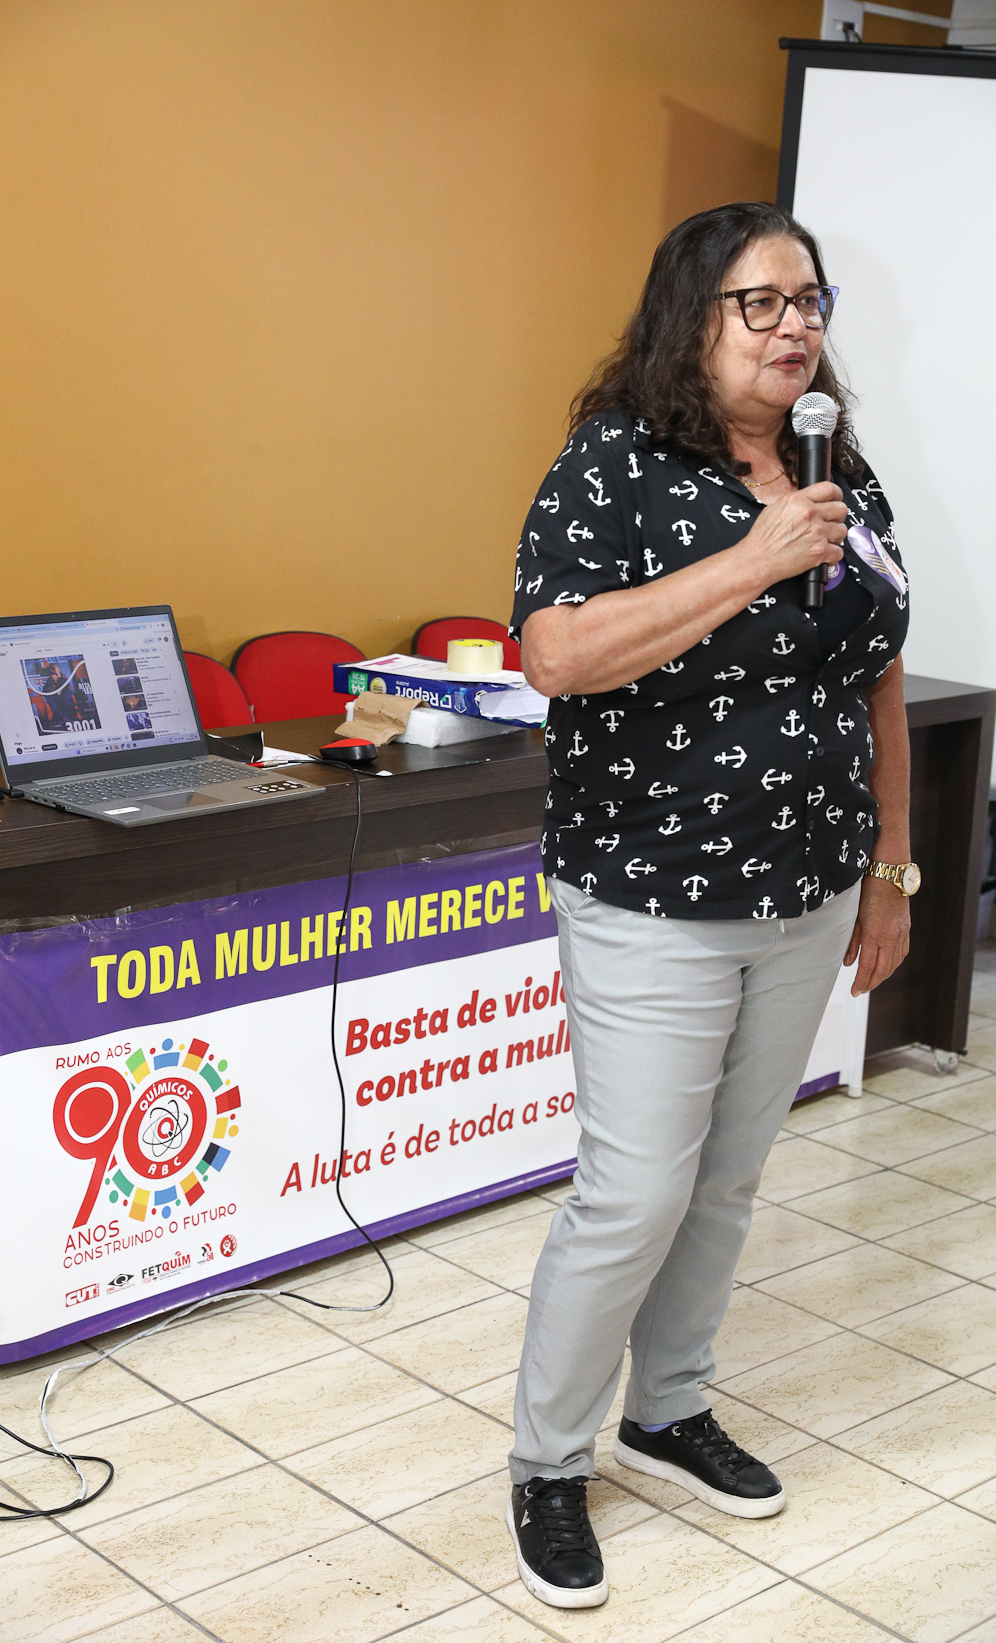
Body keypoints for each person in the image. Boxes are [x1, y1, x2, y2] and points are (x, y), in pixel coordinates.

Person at [505, 202, 915, 1611]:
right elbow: (557, 656)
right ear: (692, 316)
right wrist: (756, 557)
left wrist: (891, 868)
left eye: (811, 300)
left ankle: (668, 1407)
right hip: (653, 896)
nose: (796, 326)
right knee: (634, 1191)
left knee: (731, 1176)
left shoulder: (839, 469)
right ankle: (548, 1462)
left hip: (810, 887)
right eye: (763, 302)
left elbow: (875, 676)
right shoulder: (614, 465)